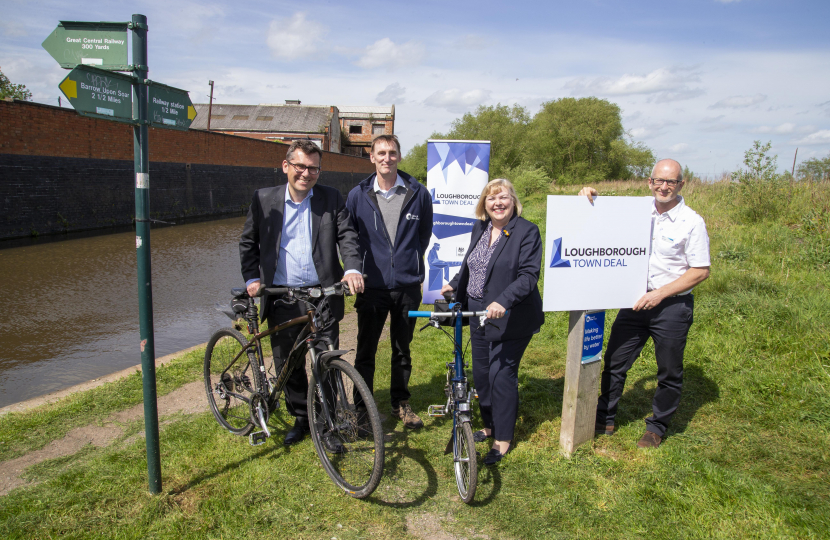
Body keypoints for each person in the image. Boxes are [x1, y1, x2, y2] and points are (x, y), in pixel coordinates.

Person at [240, 139, 364, 445]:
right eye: (300, 166)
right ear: (286, 166)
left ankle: (328, 420)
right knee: (288, 363)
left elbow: (347, 235)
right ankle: (301, 417)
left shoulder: (331, 199)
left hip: (322, 296)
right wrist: (252, 278)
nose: (306, 174)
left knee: (326, 361)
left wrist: (351, 268)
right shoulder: (264, 199)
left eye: (313, 168)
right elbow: (248, 242)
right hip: (281, 294)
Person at [579, 158, 710, 448]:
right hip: (635, 302)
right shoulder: (638, 212)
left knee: (669, 370)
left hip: (672, 306)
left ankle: (657, 427)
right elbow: (606, 215)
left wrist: (660, 293)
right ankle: (605, 417)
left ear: (681, 184)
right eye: (659, 181)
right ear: (649, 182)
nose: (664, 187)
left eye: (671, 181)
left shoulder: (692, 221)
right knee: (614, 362)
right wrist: (590, 197)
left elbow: (700, 271)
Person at [440, 178, 544, 465]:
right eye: (491, 198)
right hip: (477, 314)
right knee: (482, 374)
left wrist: (503, 301)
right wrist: (453, 284)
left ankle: (503, 438)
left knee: (501, 374)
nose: (497, 203)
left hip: (510, 315)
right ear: (484, 204)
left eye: (503, 198)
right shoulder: (481, 228)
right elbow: (473, 267)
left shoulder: (527, 231)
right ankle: (488, 427)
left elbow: (528, 275)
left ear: (513, 201)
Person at [346, 134, 433, 429]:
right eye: (381, 153)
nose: (387, 158)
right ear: (371, 157)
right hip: (372, 287)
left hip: (407, 287)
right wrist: (357, 268)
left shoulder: (417, 193)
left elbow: (423, 236)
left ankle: (401, 403)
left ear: (399, 156)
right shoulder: (357, 195)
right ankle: (361, 408)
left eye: (392, 153)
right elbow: (351, 238)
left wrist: (408, 264)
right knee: (366, 350)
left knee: (402, 348)